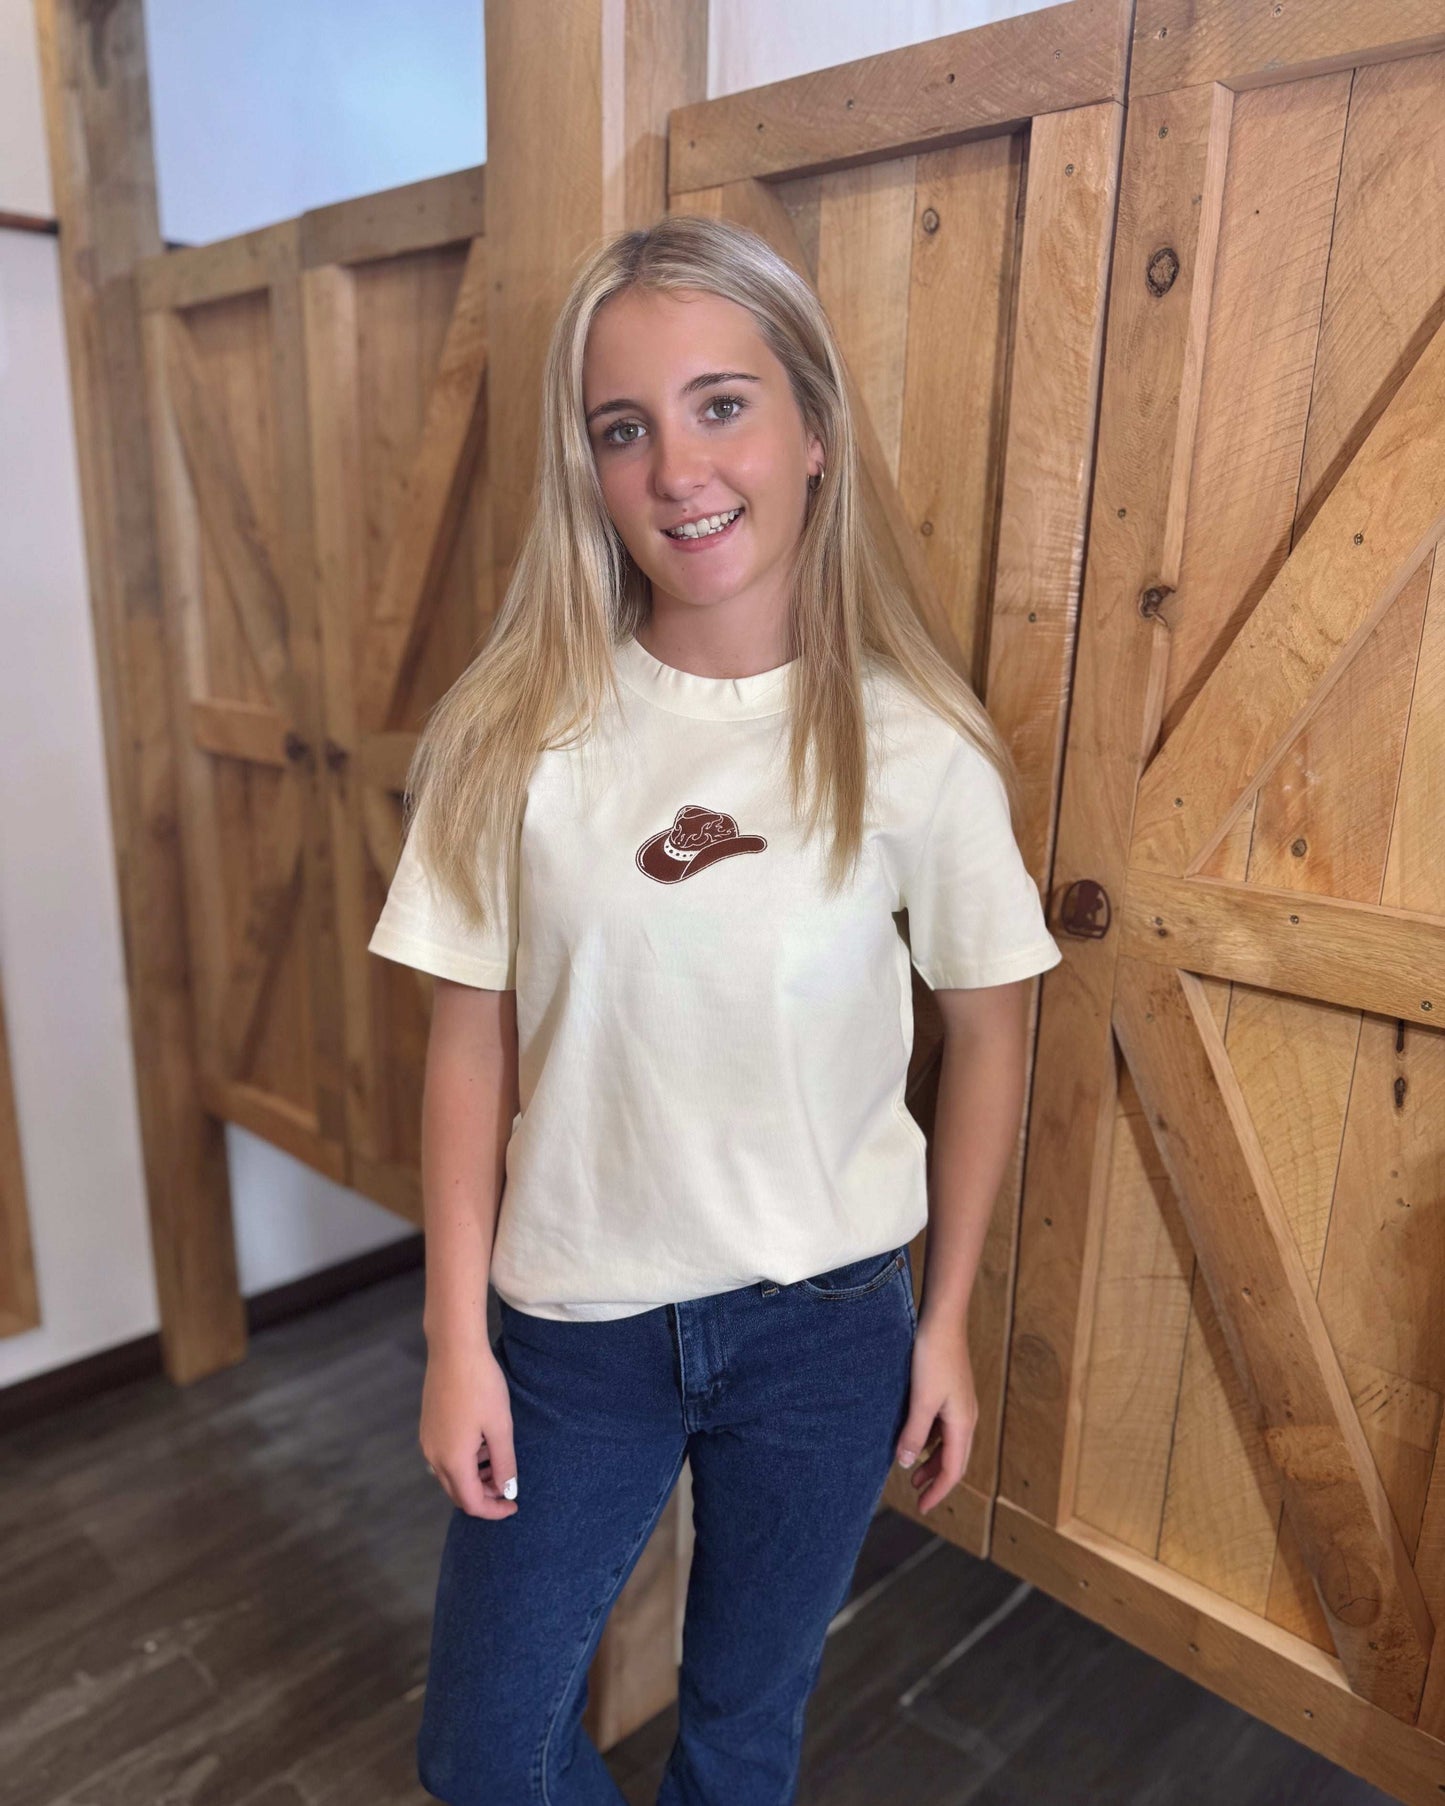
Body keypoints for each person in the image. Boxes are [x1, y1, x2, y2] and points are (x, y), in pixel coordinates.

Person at [367, 213, 1063, 1806]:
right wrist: (452, 1336)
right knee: (479, 1750)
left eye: (721, 404)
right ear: (590, 470)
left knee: (744, 1730)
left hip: (825, 1328)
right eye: (626, 428)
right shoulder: (515, 734)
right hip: (570, 1328)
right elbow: (464, 1041)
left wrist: (941, 1318)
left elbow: (990, 1037)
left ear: (811, 429)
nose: (677, 465)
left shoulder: (920, 751)